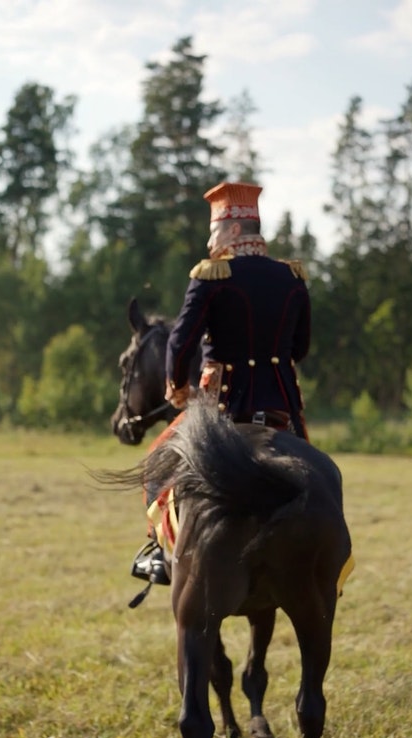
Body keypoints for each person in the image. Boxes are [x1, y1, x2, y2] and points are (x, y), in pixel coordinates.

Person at [132, 180, 311, 587]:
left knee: (157, 464)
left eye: (213, 232)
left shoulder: (213, 275)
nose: (210, 242)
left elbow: (179, 344)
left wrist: (178, 388)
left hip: (224, 406)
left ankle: (160, 556)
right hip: (283, 406)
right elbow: (300, 347)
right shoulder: (292, 277)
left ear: (231, 230)